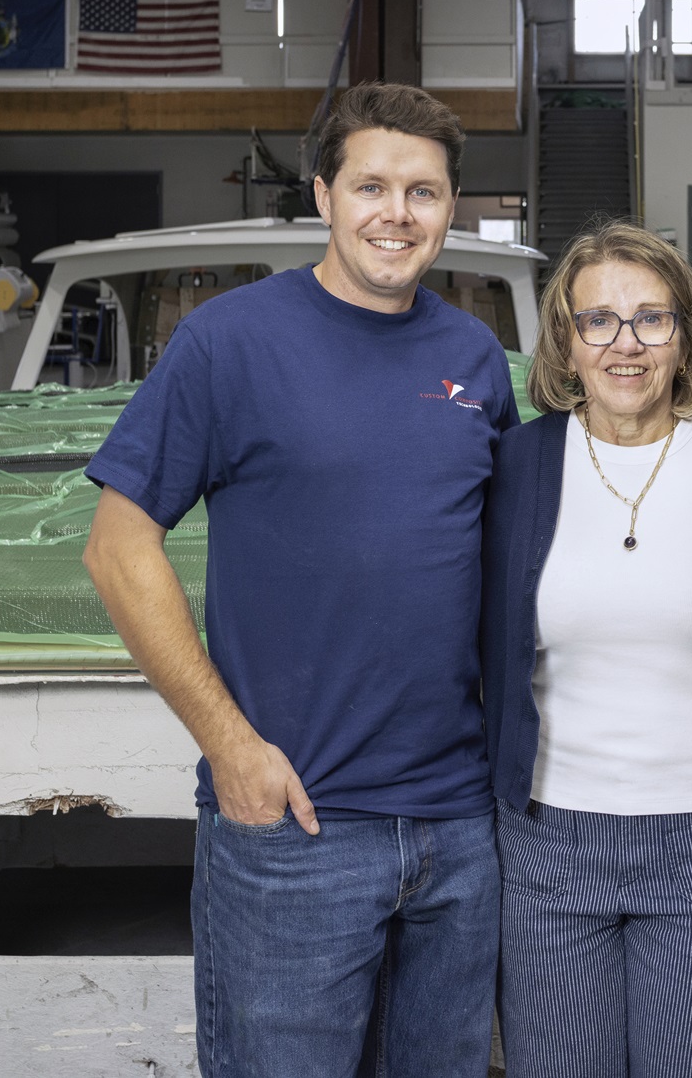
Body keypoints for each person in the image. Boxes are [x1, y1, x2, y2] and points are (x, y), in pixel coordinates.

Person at [81, 83, 517, 1078]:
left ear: (451, 208)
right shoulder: (229, 342)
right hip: (295, 828)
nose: (396, 213)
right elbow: (117, 544)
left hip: (457, 827)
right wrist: (230, 747)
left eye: (423, 191)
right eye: (371, 185)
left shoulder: (473, 358)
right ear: (323, 194)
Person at [481, 221, 692, 1078]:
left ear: (684, 337)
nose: (626, 344)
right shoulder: (512, 468)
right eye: (599, 321)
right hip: (544, 849)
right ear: (565, 342)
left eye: (652, 319)